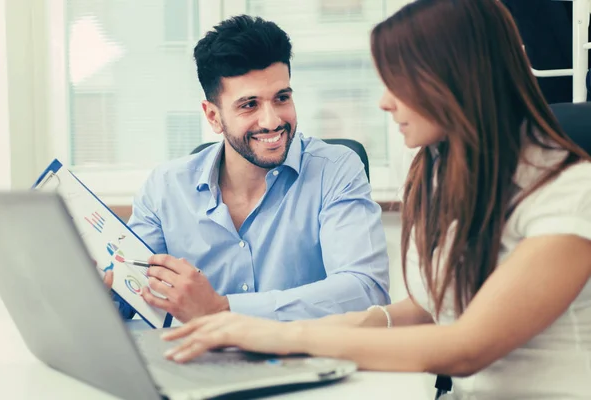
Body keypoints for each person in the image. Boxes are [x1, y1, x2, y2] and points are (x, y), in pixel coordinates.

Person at [158, 1, 591, 398]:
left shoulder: (572, 194)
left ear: (457, 81)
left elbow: (466, 348)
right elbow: (427, 309)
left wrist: (274, 334)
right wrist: (256, 330)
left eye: (398, 84)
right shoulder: (445, 177)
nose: (384, 103)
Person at [105, 15, 390, 323]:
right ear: (213, 116)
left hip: (305, 362)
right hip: (199, 363)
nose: (272, 121)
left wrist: (223, 309)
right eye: (249, 105)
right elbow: (128, 295)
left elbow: (366, 290)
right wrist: (98, 287)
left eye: (282, 98)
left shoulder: (336, 170)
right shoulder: (164, 188)